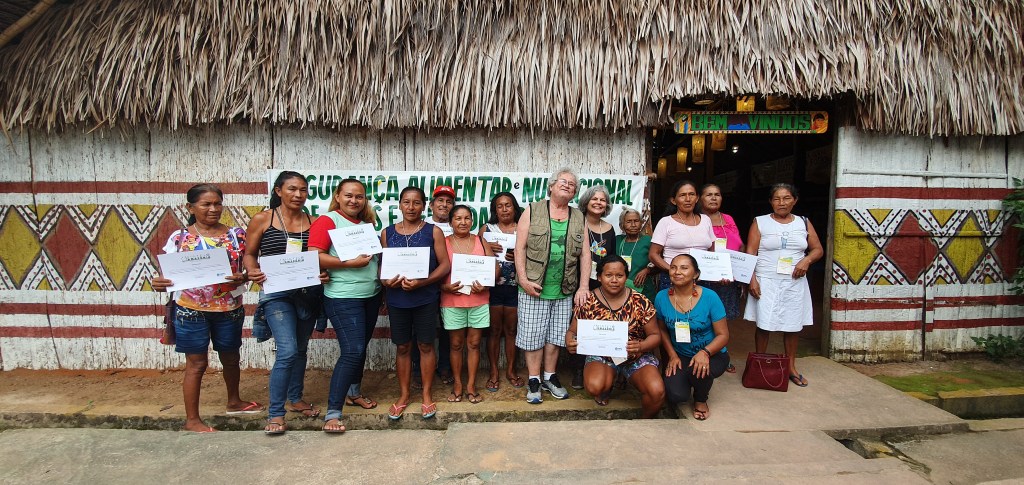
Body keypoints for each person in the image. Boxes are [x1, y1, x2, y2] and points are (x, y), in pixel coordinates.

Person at [152, 184, 260, 432]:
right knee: (197, 363)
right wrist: (159, 283)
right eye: (206, 204)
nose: (213, 209)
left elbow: (248, 267)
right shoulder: (179, 238)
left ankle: (234, 401)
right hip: (191, 310)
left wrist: (243, 277)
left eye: (217, 204)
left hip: (229, 308)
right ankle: (192, 420)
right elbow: (166, 275)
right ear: (190, 207)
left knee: (231, 357)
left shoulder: (236, 235)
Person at [243, 172, 321, 435]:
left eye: (303, 190)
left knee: (300, 348)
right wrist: (252, 271)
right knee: (287, 350)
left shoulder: (315, 222)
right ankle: (276, 413)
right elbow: (250, 255)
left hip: (308, 293)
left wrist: (323, 273)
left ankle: (296, 398)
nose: (298, 195)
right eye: (292, 189)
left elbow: (323, 256)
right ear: (278, 191)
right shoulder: (263, 220)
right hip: (277, 295)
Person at [307, 178, 384, 433]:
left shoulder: (365, 225)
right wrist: (348, 264)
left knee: (360, 349)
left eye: (359, 197)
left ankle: (354, 393)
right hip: (342, 296)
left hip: (370, 295)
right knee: (352, 350)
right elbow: (314, 256)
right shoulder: (328, 221)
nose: (354, 201)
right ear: (338, 196)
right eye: (349, 195)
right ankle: (333, 412)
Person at [514, 169, 591, 404]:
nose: (568, 186)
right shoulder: (533, 210)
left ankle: (550, 376)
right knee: (533, 337)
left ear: (575, 192)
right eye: (563, 182)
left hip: (565, 288)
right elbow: (520, 248)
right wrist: (524, 280)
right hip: (534, 288)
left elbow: (585, 255)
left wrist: (583, 286)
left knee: (556, 337)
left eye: (572, 184)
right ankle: (534, 380)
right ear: (551, 186)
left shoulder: (579, 216)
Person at [381, 186, 451, 419]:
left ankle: (427, 395)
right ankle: (403, 395)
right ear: (399, 205)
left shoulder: (433, 231)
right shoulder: (387, 232)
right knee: (402, 346)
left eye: (417, 203)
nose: (411, 207)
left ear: (424, 205)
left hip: (425, 298)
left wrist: (423, 282)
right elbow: (383, 267)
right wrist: (386, 280)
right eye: (406, 202)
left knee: (426, 345)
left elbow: (444, 266)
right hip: (397, 298)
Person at [744, 183, 823, 388]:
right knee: (764, 324)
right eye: (777, 199)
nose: (782, 202)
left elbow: (818, 250)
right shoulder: (760, 222)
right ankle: (759, 363)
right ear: (770, 201)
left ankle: (791, 366)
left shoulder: (803, 223)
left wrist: (806, 261)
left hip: (794, 282)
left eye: (787, 198)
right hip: (766, 280)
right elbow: (750, 253)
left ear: (795, 200)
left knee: (793, 324)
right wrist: (751, 279)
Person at [565, 255, 665, 418]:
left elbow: (655, 336)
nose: (614, 280)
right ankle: (608, 384)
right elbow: (572, 332)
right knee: (595, 386)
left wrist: (641, 346)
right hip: (602, 355)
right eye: (608, 275)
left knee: (657, 391)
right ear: (599, 277)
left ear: (626, 277)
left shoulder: (640, 301)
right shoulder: (588, 300)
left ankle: (646, 422)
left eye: (619, 275)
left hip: (635, 355)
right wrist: (570, 341)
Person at [656, 254, 730, 421]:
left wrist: (705, 352)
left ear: (696, 274)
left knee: (701, 369)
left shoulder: (710, 297)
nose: (677, 272)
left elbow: (723, 335)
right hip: (681, 354)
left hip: (712, 353)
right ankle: (688, 379)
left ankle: (701, 399)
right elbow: (662, 330)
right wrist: (672, 356)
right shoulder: (661, 297)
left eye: (684, 268)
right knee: (676, 396)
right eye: (673, 267)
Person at [441, 205, 497, 404]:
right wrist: (444, 287)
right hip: (452, 300)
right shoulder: (443, 242)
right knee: (455, 345)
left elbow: (495, 270)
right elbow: (435, 270)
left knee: (473, 344)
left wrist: (486, 283)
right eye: (458, 218)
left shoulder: (481, 241)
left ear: (472, 221)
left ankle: (471, 384)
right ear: (450, 222)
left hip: (478, 300)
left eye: (467, 218)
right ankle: (457, 384)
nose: (463, 222)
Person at [571, 184, 618, 389]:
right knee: (578, 325)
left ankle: (601, 366)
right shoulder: (575, 223)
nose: (599, 203)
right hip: (578, 283)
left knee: (597, 325)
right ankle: (578, 370)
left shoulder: (610, 228)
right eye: (595, 199)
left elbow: (613, 259)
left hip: (602, 285)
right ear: (586, 202)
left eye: (602, 200)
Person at [479, 192, 524, 392]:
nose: (504, 209)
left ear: (514, 207)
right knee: (494, 331)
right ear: (494, 210)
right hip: (493, 286)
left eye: (508, 205)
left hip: (516, 286)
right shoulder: (486, 230)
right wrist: (486, 247)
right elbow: (473, 254)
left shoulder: (524, 228)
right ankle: (494, 372)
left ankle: (511, 370)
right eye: (500, 206)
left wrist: (521, 256)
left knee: (512, 331)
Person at [412, 185, 456, 387]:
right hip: (424, 287)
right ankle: (417, 370)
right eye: (440, 200)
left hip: (451, 287)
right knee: (418, 330)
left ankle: (445, 366)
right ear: (430, 205)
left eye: (448, 202)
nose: (444, 205)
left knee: (448, 328)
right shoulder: (421, 226)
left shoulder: (459, 225)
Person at [699, 183, 745, 373]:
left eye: (717, 194)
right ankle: (702, 352)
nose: (713, 198)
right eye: (708, 194)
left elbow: (739, 245)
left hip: (728, 278)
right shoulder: (698, 219)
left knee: (722, 317)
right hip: (703, 277)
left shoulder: (728, 219)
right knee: (703, 318)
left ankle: (721, 353)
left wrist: (740, 271)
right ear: (700, 198)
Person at [649, 180, 716, 292]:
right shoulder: (666, 222)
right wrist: (673, 270)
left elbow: (712, 252)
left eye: (691, 194)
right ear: (673, 200)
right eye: (682, 195)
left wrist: (718, 272)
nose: (688, 199)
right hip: (674, 279)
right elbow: (653, 254)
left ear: (697, 198)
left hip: (702, 279)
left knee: (701, 309)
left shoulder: (706, 220)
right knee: (675, 309)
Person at [615, 208, 655, 302]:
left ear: (641, 223)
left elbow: (659, 261)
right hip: (619, 291)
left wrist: (647, 270)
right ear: (622, 226)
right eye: (629, 221)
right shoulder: (617, 240)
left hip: (644, 291)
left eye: (636, 221)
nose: (633, 225)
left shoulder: (648, 241)